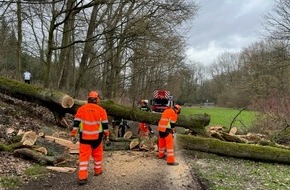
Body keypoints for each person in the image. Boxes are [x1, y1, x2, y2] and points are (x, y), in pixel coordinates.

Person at [70, 91, 109, 185]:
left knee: (83, 157)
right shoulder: (101, 110)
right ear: (97, 100)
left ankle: (82, 177)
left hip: (84, 138)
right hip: (97, 138)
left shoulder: (81, 109)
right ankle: (98, 170)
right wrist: (107, 134)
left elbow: (76, 124)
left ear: (88, 99)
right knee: (98, 155)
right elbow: (105, 125)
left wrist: (73, 134)